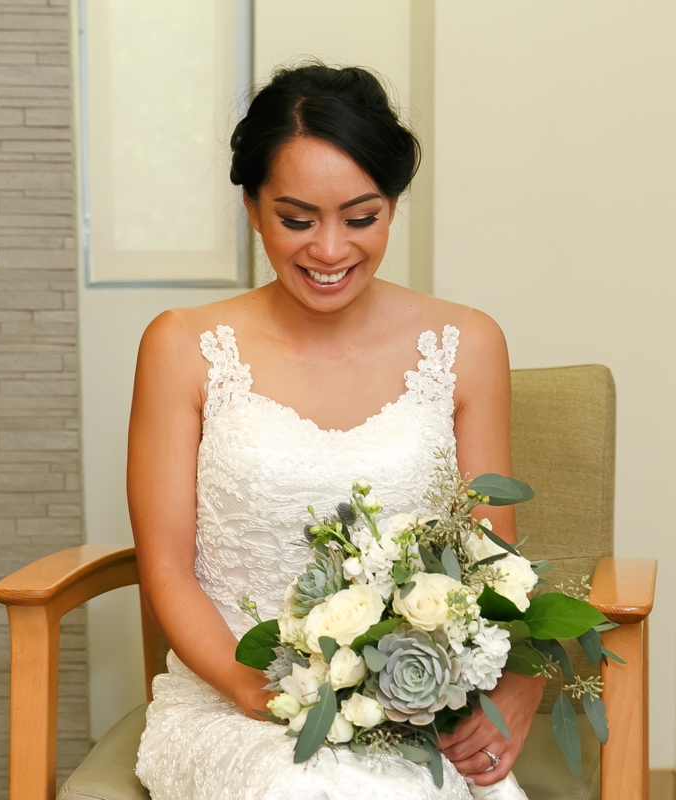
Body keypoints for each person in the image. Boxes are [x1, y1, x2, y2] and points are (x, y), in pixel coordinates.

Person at [127, 64, 543, 800]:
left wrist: (519, 683)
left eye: (361, 217)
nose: (329, 251)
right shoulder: (182, 346)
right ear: (253, 206)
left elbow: (489, 561)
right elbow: (166, 569)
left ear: (392, 205)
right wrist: (260, 690)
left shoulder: (466, 343)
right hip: (236, 704)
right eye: (297, 219)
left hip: (410, 702)